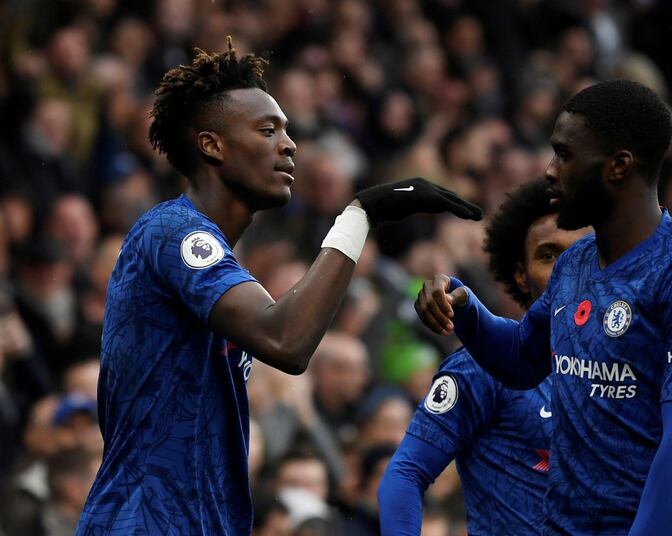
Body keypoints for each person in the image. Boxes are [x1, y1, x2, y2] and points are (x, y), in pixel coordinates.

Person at [75, 40, 481, 535]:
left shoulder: (215, 258)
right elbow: (285, 342)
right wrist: (359, 217)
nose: (289, 145)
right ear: (212, 145)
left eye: (288, 131)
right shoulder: (173, 232)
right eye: (268, 130)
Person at [415, 80, 672, 534]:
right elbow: (522, 360)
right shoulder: (575, 263)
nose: (550, 171)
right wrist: (465, 309)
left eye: (565, 155)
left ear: (618, 167)